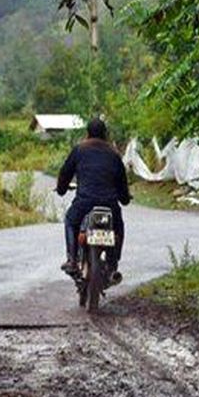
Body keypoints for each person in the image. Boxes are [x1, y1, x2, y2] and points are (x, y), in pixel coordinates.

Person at [55, 117, 131, 284]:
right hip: (110, 205)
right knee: (118, 228)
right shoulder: (114, 154)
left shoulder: (79, 150)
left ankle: (72, 260)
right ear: (105, 134)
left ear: (87, 133)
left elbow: (65, 173)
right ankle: (113, 265)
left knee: (70, 221)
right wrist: (124, 199)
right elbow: (122, 185)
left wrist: (61, 189)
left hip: (85, 203)